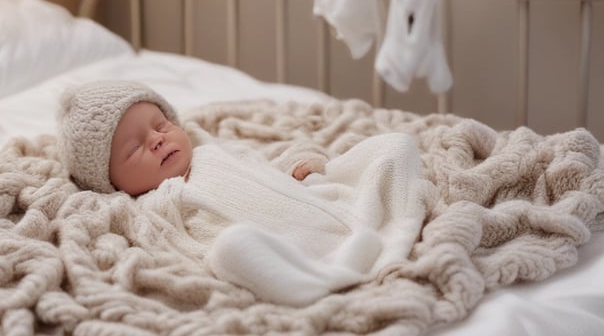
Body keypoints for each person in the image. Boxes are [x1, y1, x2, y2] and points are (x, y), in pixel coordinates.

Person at [57, 80, 428, 306]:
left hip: (326, 207)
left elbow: (266, 164)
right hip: (291, 253)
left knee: (395, 147)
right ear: (111, 182)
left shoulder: (210, 150)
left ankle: (389, 228)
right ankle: (319, 281)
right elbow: (172, 248)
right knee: (232, 248)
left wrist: (304, 164)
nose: (156, 140)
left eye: (161, 124)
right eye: (134, 148)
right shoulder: (154, 204)